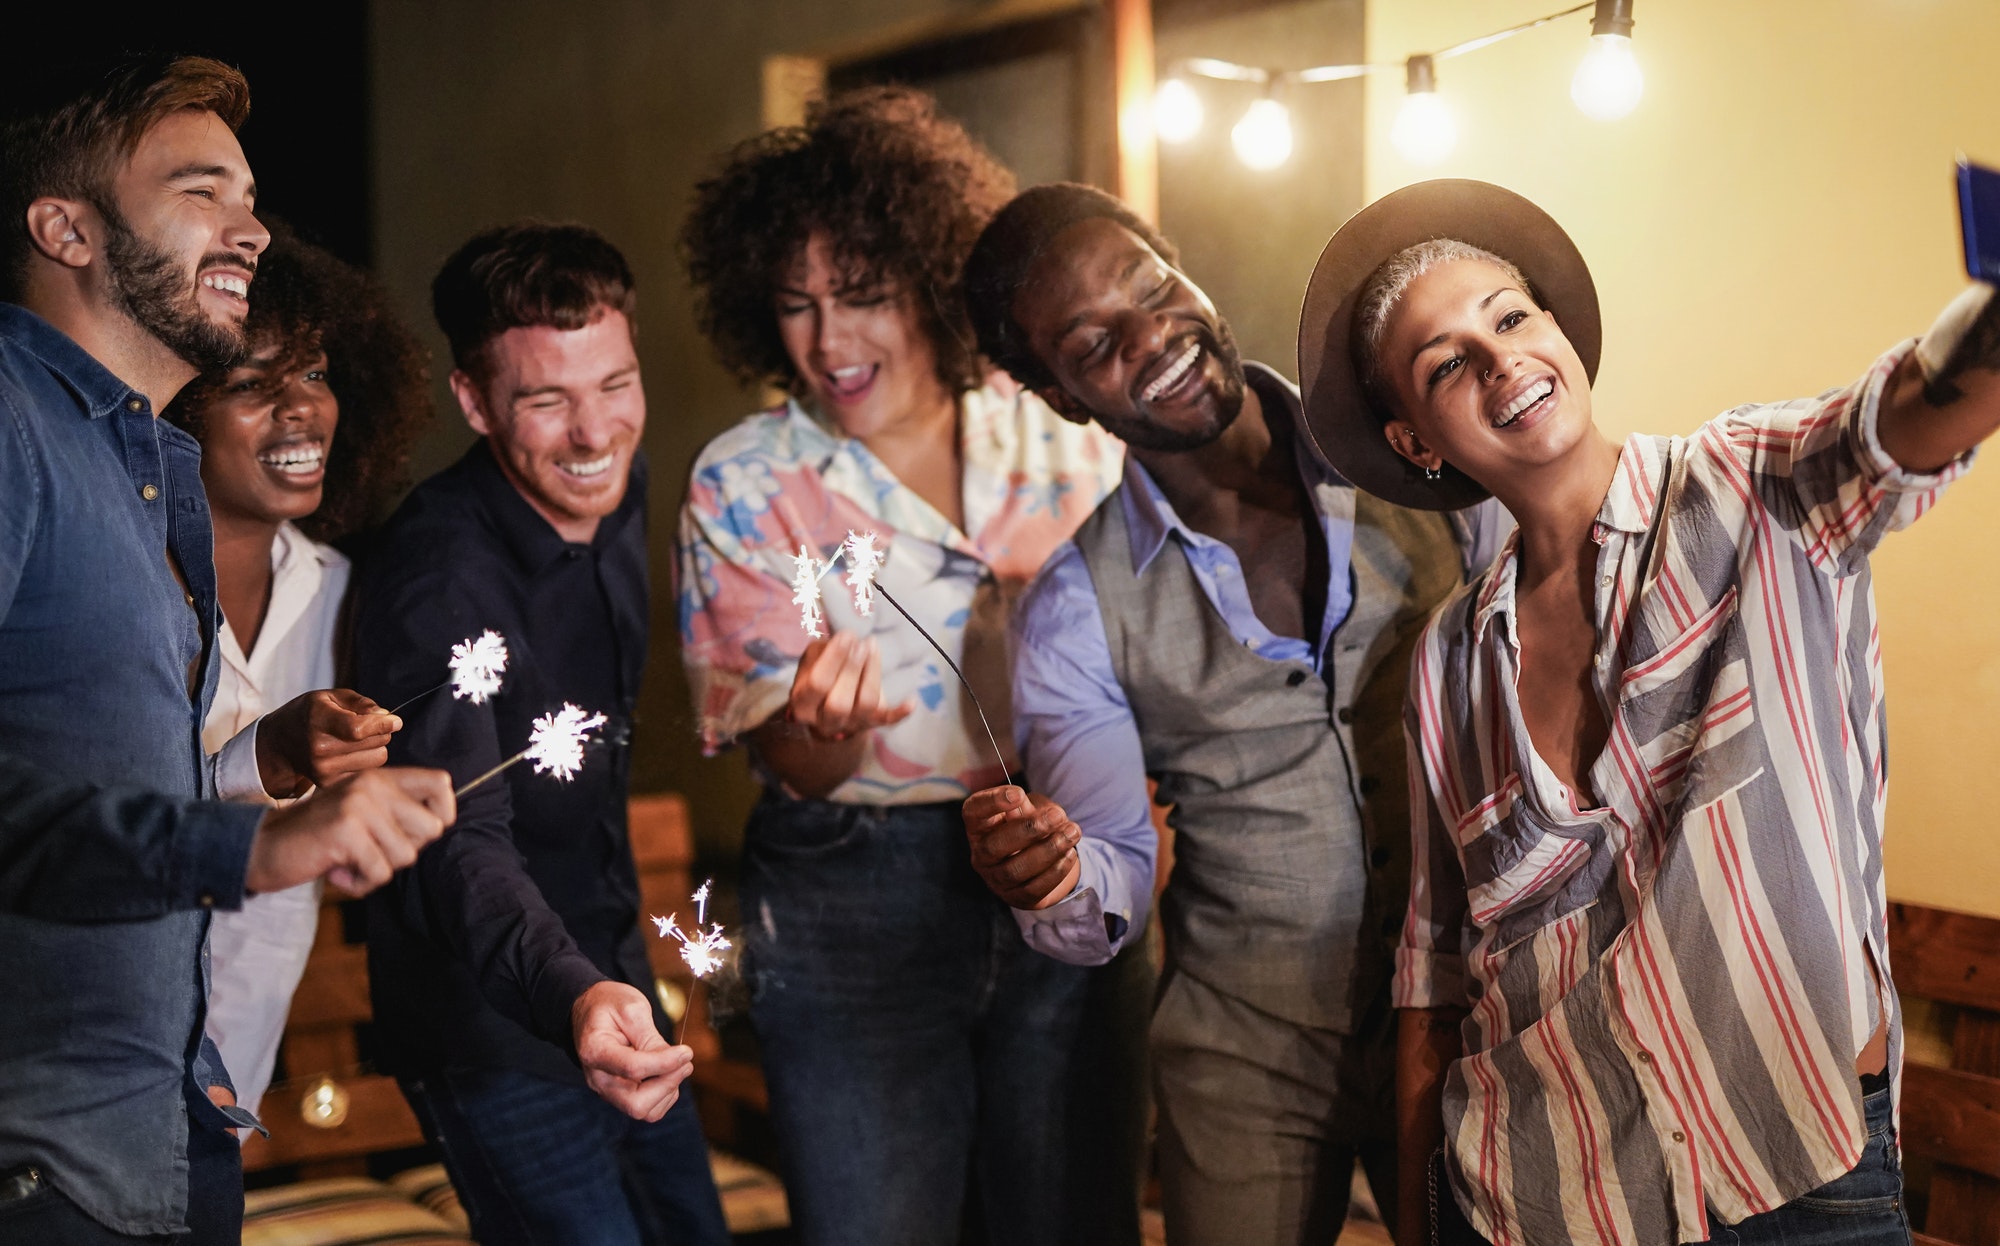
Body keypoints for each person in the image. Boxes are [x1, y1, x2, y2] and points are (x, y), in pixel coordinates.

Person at [1299, 178, 2000, 1245]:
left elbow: (1894, 421)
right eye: (1445, 364)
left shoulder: (1743, 489)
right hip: (1538, 1194)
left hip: (1800, 1175)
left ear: (1556, 332)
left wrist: (1984, 322)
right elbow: (1434, 977)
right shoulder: (1448, 656)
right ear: (1415, 441)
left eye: (1509, 316)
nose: (1500, 362)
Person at [954, 182, 1506, 1246]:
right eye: (1093, 341)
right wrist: (1055, 873)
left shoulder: (1410, 447)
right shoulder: (1075, 603)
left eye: (1151, 286)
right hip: (1244, 1051)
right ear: (1062, 397)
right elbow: (1109, 863)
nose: (1151, 334)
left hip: (1471, 1008)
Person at [0, 54, 454, 1244]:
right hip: (42, 1160)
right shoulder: (10, 421)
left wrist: (263, 769)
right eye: (204, 192)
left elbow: (96, 780)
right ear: (67, 228)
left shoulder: (142, 465)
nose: (251, 230)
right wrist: (253, 842)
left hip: (173, 1123)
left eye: (248, 198)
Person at [676, 90, 1134, 1245]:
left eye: (863, 297)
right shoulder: (744, 480)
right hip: (846, 897)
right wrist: (821, 729)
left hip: (1065, 868)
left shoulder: (1063, 436)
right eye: (795, 306)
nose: (827, 344)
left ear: (932, 279)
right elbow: (791, 761)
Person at [352, 221, 726, 1246]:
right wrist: (573, 993)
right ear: (473, 402)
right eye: (545, 399)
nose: (594, 433)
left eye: (614, 384)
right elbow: (454, 836)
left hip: (616, 978)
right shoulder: (433, 581)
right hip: (492, 1021)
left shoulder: (617, 484)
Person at [164, 219, 432, 1118]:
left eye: (314, 374)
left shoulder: (345, 595)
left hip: (238, 1074)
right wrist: (265, 762)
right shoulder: (114, 590)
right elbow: (85, 832)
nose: (301, 410)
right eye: (252, 385)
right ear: (173, 406)